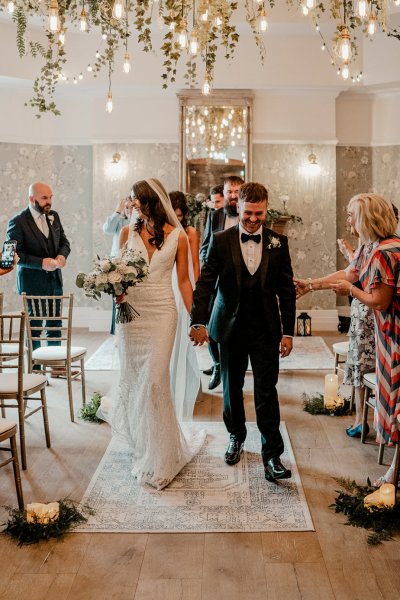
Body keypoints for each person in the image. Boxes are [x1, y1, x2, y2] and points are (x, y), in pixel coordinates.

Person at [190, 182, 296, 482]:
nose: (253, 219)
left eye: (259, 213)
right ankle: (236, 436)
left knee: (266, 392)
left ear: (266, 209)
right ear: (238, 208)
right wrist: (198, 321)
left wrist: (288, 332)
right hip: (229, 327)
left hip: (266, 329)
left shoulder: (279, 242)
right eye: (248, 212)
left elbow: (286, 290)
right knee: (232, 389)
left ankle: (273, 455)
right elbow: (205, 284)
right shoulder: (221, 240)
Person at [296, 193, 399, 486]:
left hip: (394, 333)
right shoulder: (373, 246)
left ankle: (393, 472)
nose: (348, 220)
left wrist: (349, 290)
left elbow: (378, 301)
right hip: (386, 331)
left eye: (351, 215)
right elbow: (350, 272)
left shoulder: (385, 251)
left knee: (393, 395)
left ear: (366, 218)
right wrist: (312, 285)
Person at [111, 178, 206, 490]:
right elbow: (117, 273)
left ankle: (163, 455)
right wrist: (116, 291)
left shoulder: (178, 236)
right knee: (135, 379)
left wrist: (198, 320)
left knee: (155, 380)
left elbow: (183, 282)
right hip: (132, 316)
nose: (131, 205)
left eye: (135, 200)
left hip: (163, 313)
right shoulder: (127, 232)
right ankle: (143, 444)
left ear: (150, 202)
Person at [6, 182, 70, 373]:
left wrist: (61, 255)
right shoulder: (17, 221)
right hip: (31, 283)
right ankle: (35, 369)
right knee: (34, 327)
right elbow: (12, 255)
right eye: (44, 198)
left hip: (54, 281)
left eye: (50, 197)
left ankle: (55, 366)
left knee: (54, 324)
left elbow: (65, 242)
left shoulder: (54, 216)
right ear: (31, 199)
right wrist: (41, 263)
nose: (49, 201)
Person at [200, 175, 244, 390]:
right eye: (229, 192)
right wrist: (207, 266)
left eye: (237, 191)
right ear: (224, 194)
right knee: (213, 326)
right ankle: (217, 364)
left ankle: (234, 373)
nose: (233, 196)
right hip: (217, 282)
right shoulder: (214, 216)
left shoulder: (251, 216)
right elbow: (205, 246)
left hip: (243, 285)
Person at [336, 236, 376, 437]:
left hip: (367, 313)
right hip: (362, 310)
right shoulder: (371, 246)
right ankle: (360, 418)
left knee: (361, 366)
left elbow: (360, 275)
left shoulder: (378, 248)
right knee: (360, 365)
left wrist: (348, 254)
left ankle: (361, 420)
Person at [103, 196, 134, 334]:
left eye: (131, 207)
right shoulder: (120, 222)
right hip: (117, 265)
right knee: (117, 298)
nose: (129, 210)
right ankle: (117, 330)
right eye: (126, 207)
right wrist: (117, 212)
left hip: (134, 266)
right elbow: (107, 229)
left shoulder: (141, 223)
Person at [170, 191, 200, 281]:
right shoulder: (161, 232)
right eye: (173, 216)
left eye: (180, 215)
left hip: (186, 276)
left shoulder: (190, 232)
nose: (177, 219)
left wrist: (195, 287)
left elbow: (195, 263)